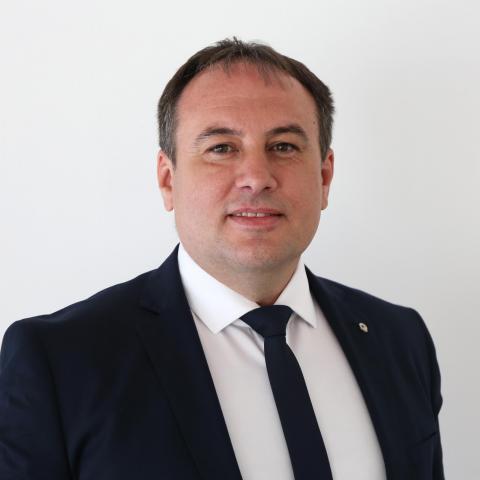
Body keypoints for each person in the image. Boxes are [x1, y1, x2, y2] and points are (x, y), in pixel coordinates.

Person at [0, 38, 444, 480]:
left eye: (284, 146)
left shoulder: (399, 339)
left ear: (324, 177)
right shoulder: (60, 361)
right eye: (221, 148)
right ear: (168, 180)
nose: (256, 177)